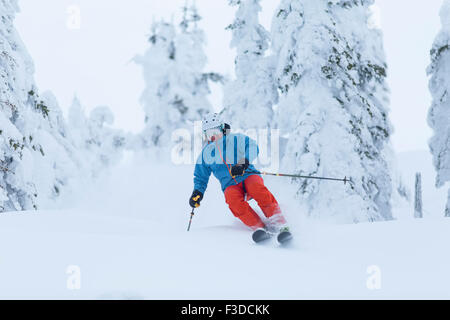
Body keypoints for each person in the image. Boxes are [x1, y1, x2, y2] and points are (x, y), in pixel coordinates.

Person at [189, 113, 291, 242]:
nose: (213, 136)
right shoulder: (206, 153)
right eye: (209, 134)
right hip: (230, 184)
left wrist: (243, 162)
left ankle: (281, 224)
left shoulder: (235, 139)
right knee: (232, 200)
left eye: (215, 131)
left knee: (256, 188)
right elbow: (200, 176)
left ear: (222, 128)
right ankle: (260, 228)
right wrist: (197, 192)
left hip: (247, 175)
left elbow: (253, 146)